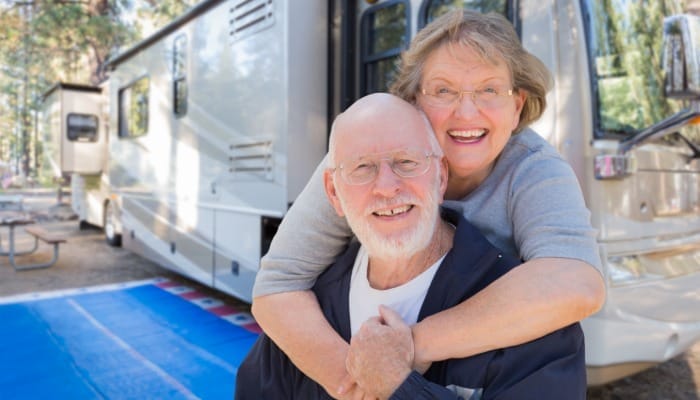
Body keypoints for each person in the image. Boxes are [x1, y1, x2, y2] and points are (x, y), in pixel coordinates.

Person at [252, 9, 605, 398]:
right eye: (443, 90)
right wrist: (353, 379)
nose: (466, 112)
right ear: (414, 101)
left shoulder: (533, 168)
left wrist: (410, 346)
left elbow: (577, 282)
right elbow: (277, 285)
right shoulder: (361, 161)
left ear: (517, 106)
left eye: (489, 90)